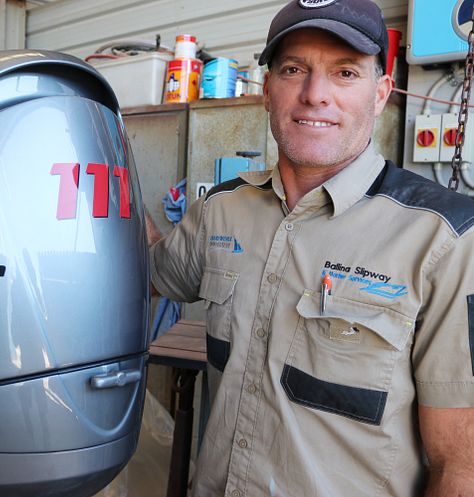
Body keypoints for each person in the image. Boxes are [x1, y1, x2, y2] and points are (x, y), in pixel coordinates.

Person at [147, 0, 474, 496]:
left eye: (344, 72)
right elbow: (146, 276)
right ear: (267, 91)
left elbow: (460, 468)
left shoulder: (445, 239)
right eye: (294, 69)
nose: (314, 95)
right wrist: (108, 196)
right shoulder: (221, 211)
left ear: (380, 93)